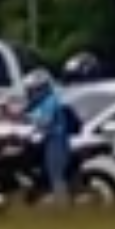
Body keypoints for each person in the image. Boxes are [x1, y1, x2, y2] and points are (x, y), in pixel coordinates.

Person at [21, 69, 74, 200]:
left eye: (32, 90)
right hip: (46, 139)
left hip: (56, 141)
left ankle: (63, 209)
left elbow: (45, 121)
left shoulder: (51, 100)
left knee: (55, 175)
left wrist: (28, 119)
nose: (30, 94)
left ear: (42, 88)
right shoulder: (39, 102)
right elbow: (26, 112)